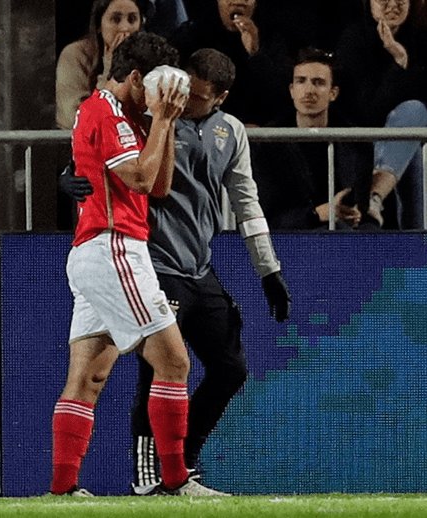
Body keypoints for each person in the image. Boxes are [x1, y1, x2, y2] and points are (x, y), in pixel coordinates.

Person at [60, 47, 292, 495]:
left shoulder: (230, 132)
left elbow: (246, 201)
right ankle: (155, 476)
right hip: (150, 258)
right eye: (186, 90)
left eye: (199, 98)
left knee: (230, 368)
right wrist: (66, 175)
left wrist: (268, 269)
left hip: (196, 263)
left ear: (219, 98)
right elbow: (103, 155)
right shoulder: (152, 115)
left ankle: (181, 461)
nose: (185, 102)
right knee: (160, 365)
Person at [51, 31, 224, 498]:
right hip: (115, 248)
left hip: (98, 251)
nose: (160, 98)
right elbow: (143, 177)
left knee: (88, 376)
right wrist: (164, 119)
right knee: (174, 361)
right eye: (153, 86)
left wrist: (161, 123)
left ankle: (62, 491)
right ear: (133, 77)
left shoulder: (125, 115)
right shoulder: (107, 113)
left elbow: (161, 185)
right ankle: (174, 482)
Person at [250, 47, 373, 230]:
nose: (309, 91)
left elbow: (359, 204)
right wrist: (317, 214)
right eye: (301, 81)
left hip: (344, 231)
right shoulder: (267, 143)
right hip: (289, 237)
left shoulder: (356, 142)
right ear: (292, 90)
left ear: (333, 93)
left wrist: (353, 213)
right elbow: (265, 216)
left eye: (318, 82)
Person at [336, 0, 427, 229]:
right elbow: (367, 112)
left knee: (413, 114)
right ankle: (374, 201)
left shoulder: (420, 40)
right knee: (410, 134)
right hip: (363, 143)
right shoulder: (353, 40)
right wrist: (398, 64)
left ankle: (375, 197)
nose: (393, 5)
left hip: (404, 141)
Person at [168, 0, 291, 126]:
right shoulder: (191, 34)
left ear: (255, 4)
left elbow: (282, 92)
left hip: (254, 128)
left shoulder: (270, 38)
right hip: (196, 124)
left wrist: (256, 54)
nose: (238, 2)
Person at [55, 0, 147, 131]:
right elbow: (74, 120)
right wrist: (110, 73)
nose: (125, 28)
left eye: (132, 19)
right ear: (99, 25)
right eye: (116, 19)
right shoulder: (76, 55)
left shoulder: (146, 56)